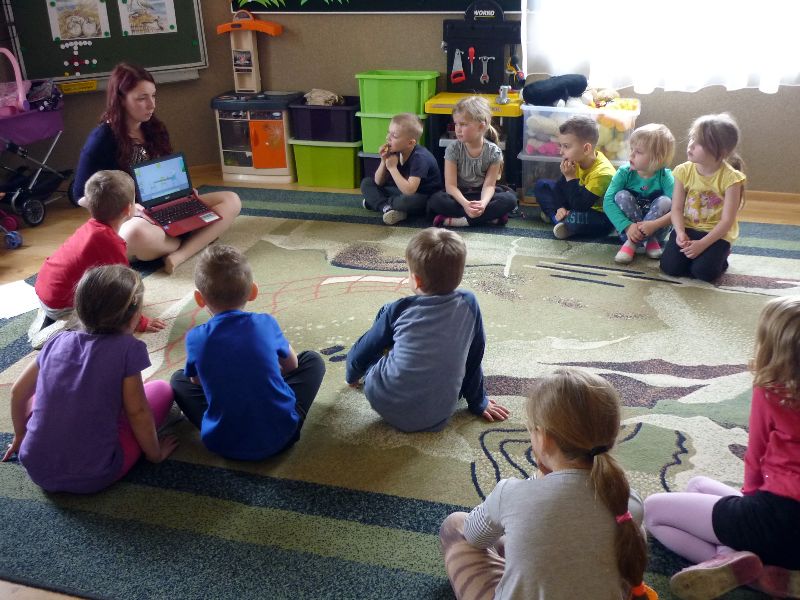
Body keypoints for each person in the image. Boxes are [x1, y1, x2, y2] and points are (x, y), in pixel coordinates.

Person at [439, 368, 653, 600]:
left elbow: (474, 536)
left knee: (456, 524)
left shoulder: (510, 494)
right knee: (633, 529)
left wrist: (536, 481)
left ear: (544, 439)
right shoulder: (628, 501)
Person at [644, 296, 800, 599]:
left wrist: (747, 511)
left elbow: (755, 456)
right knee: (696, 484)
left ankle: (740, 567)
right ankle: (752, 558)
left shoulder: (773, 392)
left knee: (654, 511)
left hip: (776, 520)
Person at [2, 265, 178, 493]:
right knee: (161, 390)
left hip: (35, 465)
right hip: (95, 474)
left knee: (43, 392)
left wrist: (20, 436)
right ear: (134, 314)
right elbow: (138, 412)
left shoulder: (57, 340)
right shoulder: (129, 349)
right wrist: (155, 454)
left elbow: (18, 392)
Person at [72, 62, 241, 274]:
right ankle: (192, 237)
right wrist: (125, 208)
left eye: (153, 96)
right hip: (133, 218)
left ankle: (178, 253)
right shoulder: (102, 138)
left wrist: (184, 193)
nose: (151, 105)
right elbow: (79, 196)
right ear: (121, 99)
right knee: (135, 235)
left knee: (231, 200)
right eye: (142, 98)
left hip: (164, 207)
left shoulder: (154, 128)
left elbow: (165, 171)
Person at [170, 244, 325, 461]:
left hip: (222, 442)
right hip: (282, 436)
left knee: (178, 380)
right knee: (312, 360)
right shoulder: (266, 323)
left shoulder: (195, 338)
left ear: (199, 298)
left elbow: (197, 382)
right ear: (253, 291)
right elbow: (292, 366)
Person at [345, 227, 509, 432]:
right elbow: (474, 357)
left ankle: (390, 356)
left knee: (385, 313)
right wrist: (478, 401)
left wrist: (352, 375)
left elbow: (362, 350)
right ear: (459, 275)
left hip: (385, 400)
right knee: (457, 356)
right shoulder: (469, 303)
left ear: (417, 280)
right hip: (440, 412)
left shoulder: (399, 309)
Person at [27, 170, 166, 349]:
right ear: (128, 209)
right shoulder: (111, 244)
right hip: (62, 305)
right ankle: (63, 327)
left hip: (44, 288)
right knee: (103, 317)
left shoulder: (90, 229)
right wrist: (140, 321)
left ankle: (47, 313)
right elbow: (123, 291)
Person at [659, 113, 746, 282]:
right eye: (692, 138)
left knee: (703, 273)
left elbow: (727, 221)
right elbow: (676, 208)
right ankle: (704, 256)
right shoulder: (683, 171)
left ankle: (723, 255)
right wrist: (680, 233)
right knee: (670, 268)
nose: (691, 145)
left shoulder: (732, 179)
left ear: (720, 152)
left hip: (716, 234)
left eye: (699, 143)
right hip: (688, 228)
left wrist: (702, 244)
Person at [428, 96, 517, 227]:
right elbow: (450, 186)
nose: (458, 129)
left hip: (481, 195)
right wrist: (465, 204)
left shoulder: (494, 152)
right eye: (456, 124)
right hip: (460, 196)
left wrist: (483, 204)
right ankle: (486, 218)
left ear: (481, 126)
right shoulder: (453, 149)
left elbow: (489, 186)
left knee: (510, 199)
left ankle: (461, 220)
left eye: (463, 124)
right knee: (435, 201)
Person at [533, 115, 617, 239]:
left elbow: (581, 205)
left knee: (577, 218)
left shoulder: (603, 174)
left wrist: (570, 177)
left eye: (566, 146)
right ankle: (559, 219)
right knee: (542, 185)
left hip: (598, 213)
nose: (561, 152)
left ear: (586, 149)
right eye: (561, 146)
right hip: (576, 201)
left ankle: (561, 221)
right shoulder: (577, 159)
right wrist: (560, 207)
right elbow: (560, 188)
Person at [603, 124, 675, 264]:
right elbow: (607, 201)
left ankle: (636, 243)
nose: (631, 155)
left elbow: (679, 208)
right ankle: (637, 241)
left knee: (666, 201)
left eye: (639, 152)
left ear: (657, 158)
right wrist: (627, 226)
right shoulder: (624, 172)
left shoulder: (665, 176)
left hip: (656, 231)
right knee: (621, 195)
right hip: (627, 231)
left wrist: (654, 225)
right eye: (631, 149)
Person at [360, 113, 442, 225]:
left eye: (394, 136)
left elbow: (409, 191)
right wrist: (383, 161)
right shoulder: (396, 150)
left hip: (423, 197)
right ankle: (387, 208)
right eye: (388, 132)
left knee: (405, 201)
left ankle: (377, 202)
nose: (388, 138)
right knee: (367, 183)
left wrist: (392, 168)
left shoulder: (420, 158)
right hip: (400, 192)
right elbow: (378, 182)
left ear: (410, 143)